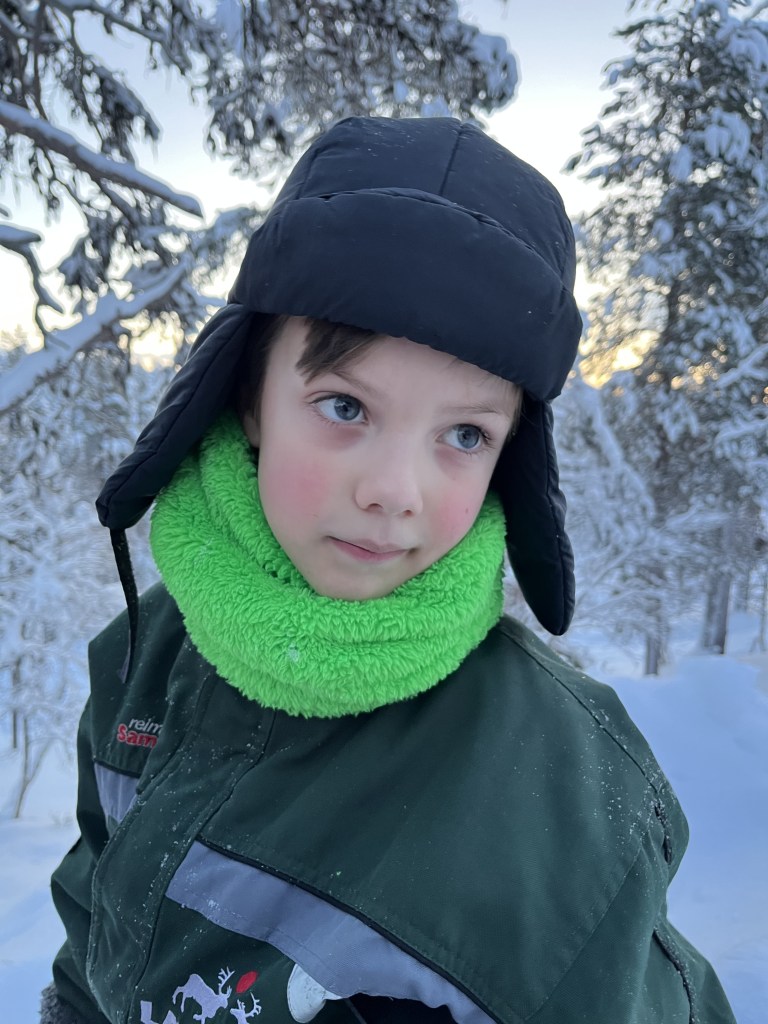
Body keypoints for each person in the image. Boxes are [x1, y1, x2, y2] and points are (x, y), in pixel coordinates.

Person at [41, 116, 736, 1024]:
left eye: (464, 434)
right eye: (344, 405)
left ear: (509, 461)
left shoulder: (559, 800)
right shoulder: (141, 663)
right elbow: (91, 948)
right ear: (249, 398)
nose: (395, 491)